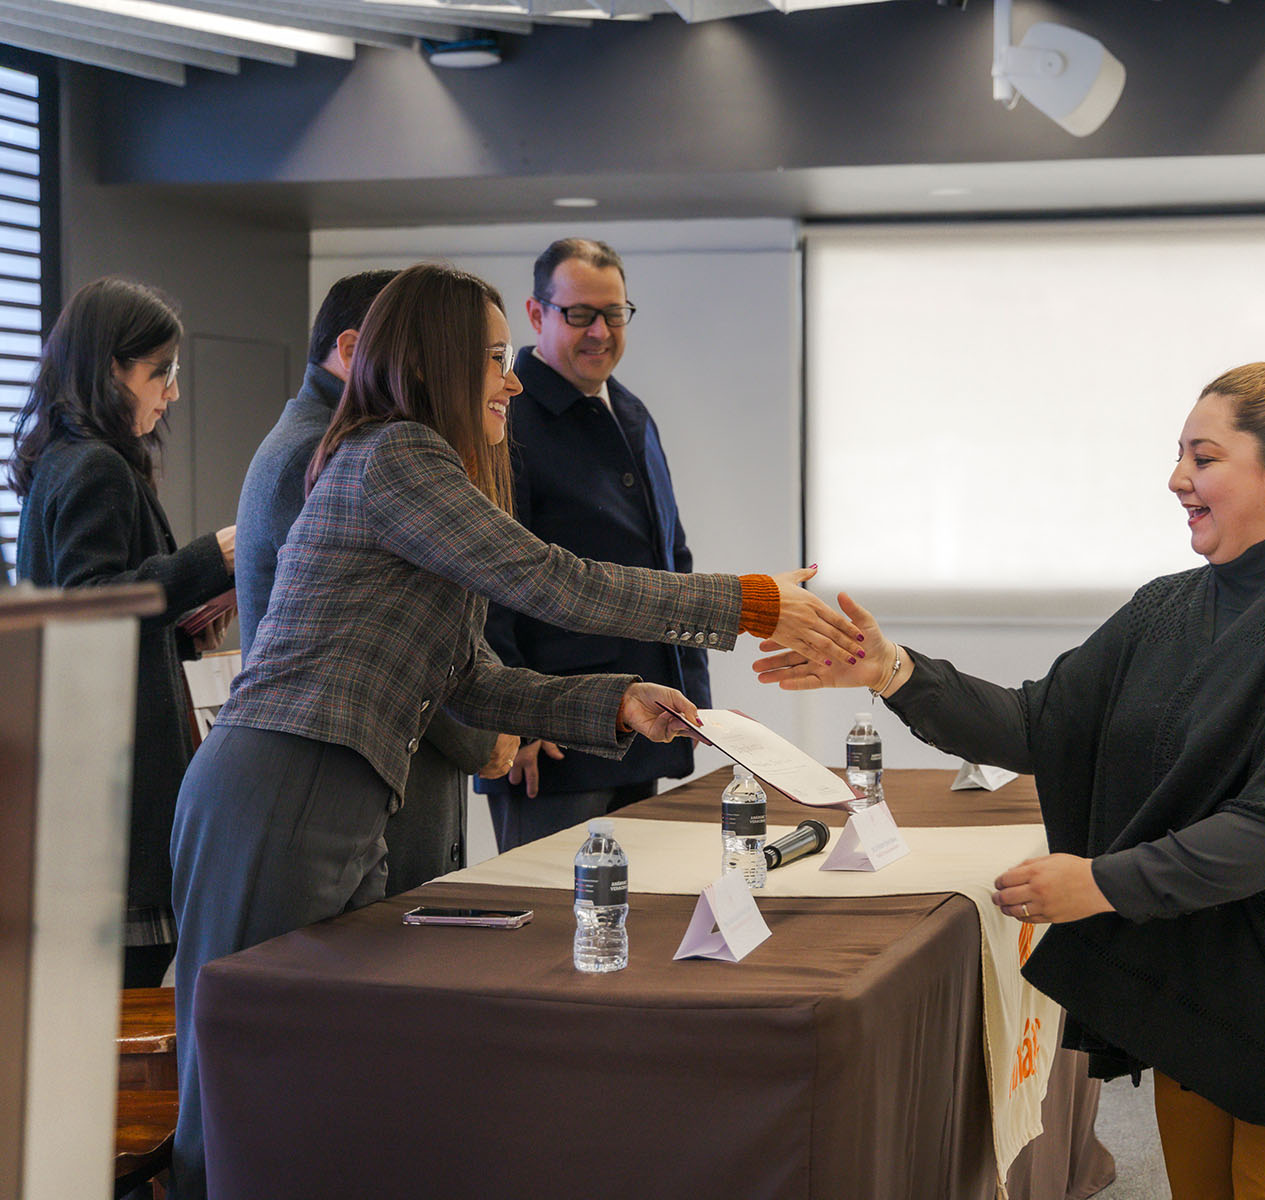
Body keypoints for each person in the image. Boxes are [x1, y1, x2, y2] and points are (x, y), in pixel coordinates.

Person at [168, 262, 863, 1200]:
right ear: (439, 363)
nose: (509, 381)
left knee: (320, 1072)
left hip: (331, 788)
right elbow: (556, 581)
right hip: (284, 783)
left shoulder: (412, 465)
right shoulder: (395, 456)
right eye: (495, 359)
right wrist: (746, 603)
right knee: (249, 1077)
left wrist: (610, 700)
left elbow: (465, 677)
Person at [755, 362, 1265, 1200]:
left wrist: (1101, 884)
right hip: (1204, 1006)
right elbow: (1037, 724)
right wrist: (893, 670)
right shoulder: (1168, 609)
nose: (1177, 478)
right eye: (1179, 454)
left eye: (1204, 456)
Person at [236, 268, 505, 893]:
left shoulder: (356, 442)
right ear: (359, 351)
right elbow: (382, 636)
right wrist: (484, 735)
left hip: (371, 776)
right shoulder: (329, 452)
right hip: (343, 785)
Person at [9, 276, 236, 988]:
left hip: (91, 769)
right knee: (120, 988)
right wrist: (211, 558)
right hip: (114, 772)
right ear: (112, 369)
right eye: (158, 373)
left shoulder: (67, 459)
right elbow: (88, 602)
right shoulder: (97, 465)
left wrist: (186, 608)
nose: (170, 393)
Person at [482, 238, 706, 849]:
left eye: (613, 313)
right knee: (560, 927)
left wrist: (695, 700)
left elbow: (671, 561)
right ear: (536, 315)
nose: (600, 331)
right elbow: (488, 584)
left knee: (644, 918)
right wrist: (515, 722)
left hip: (645, 726)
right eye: (580, 314)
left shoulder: (630, 411)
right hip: (555, 741)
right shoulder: (506, 417)